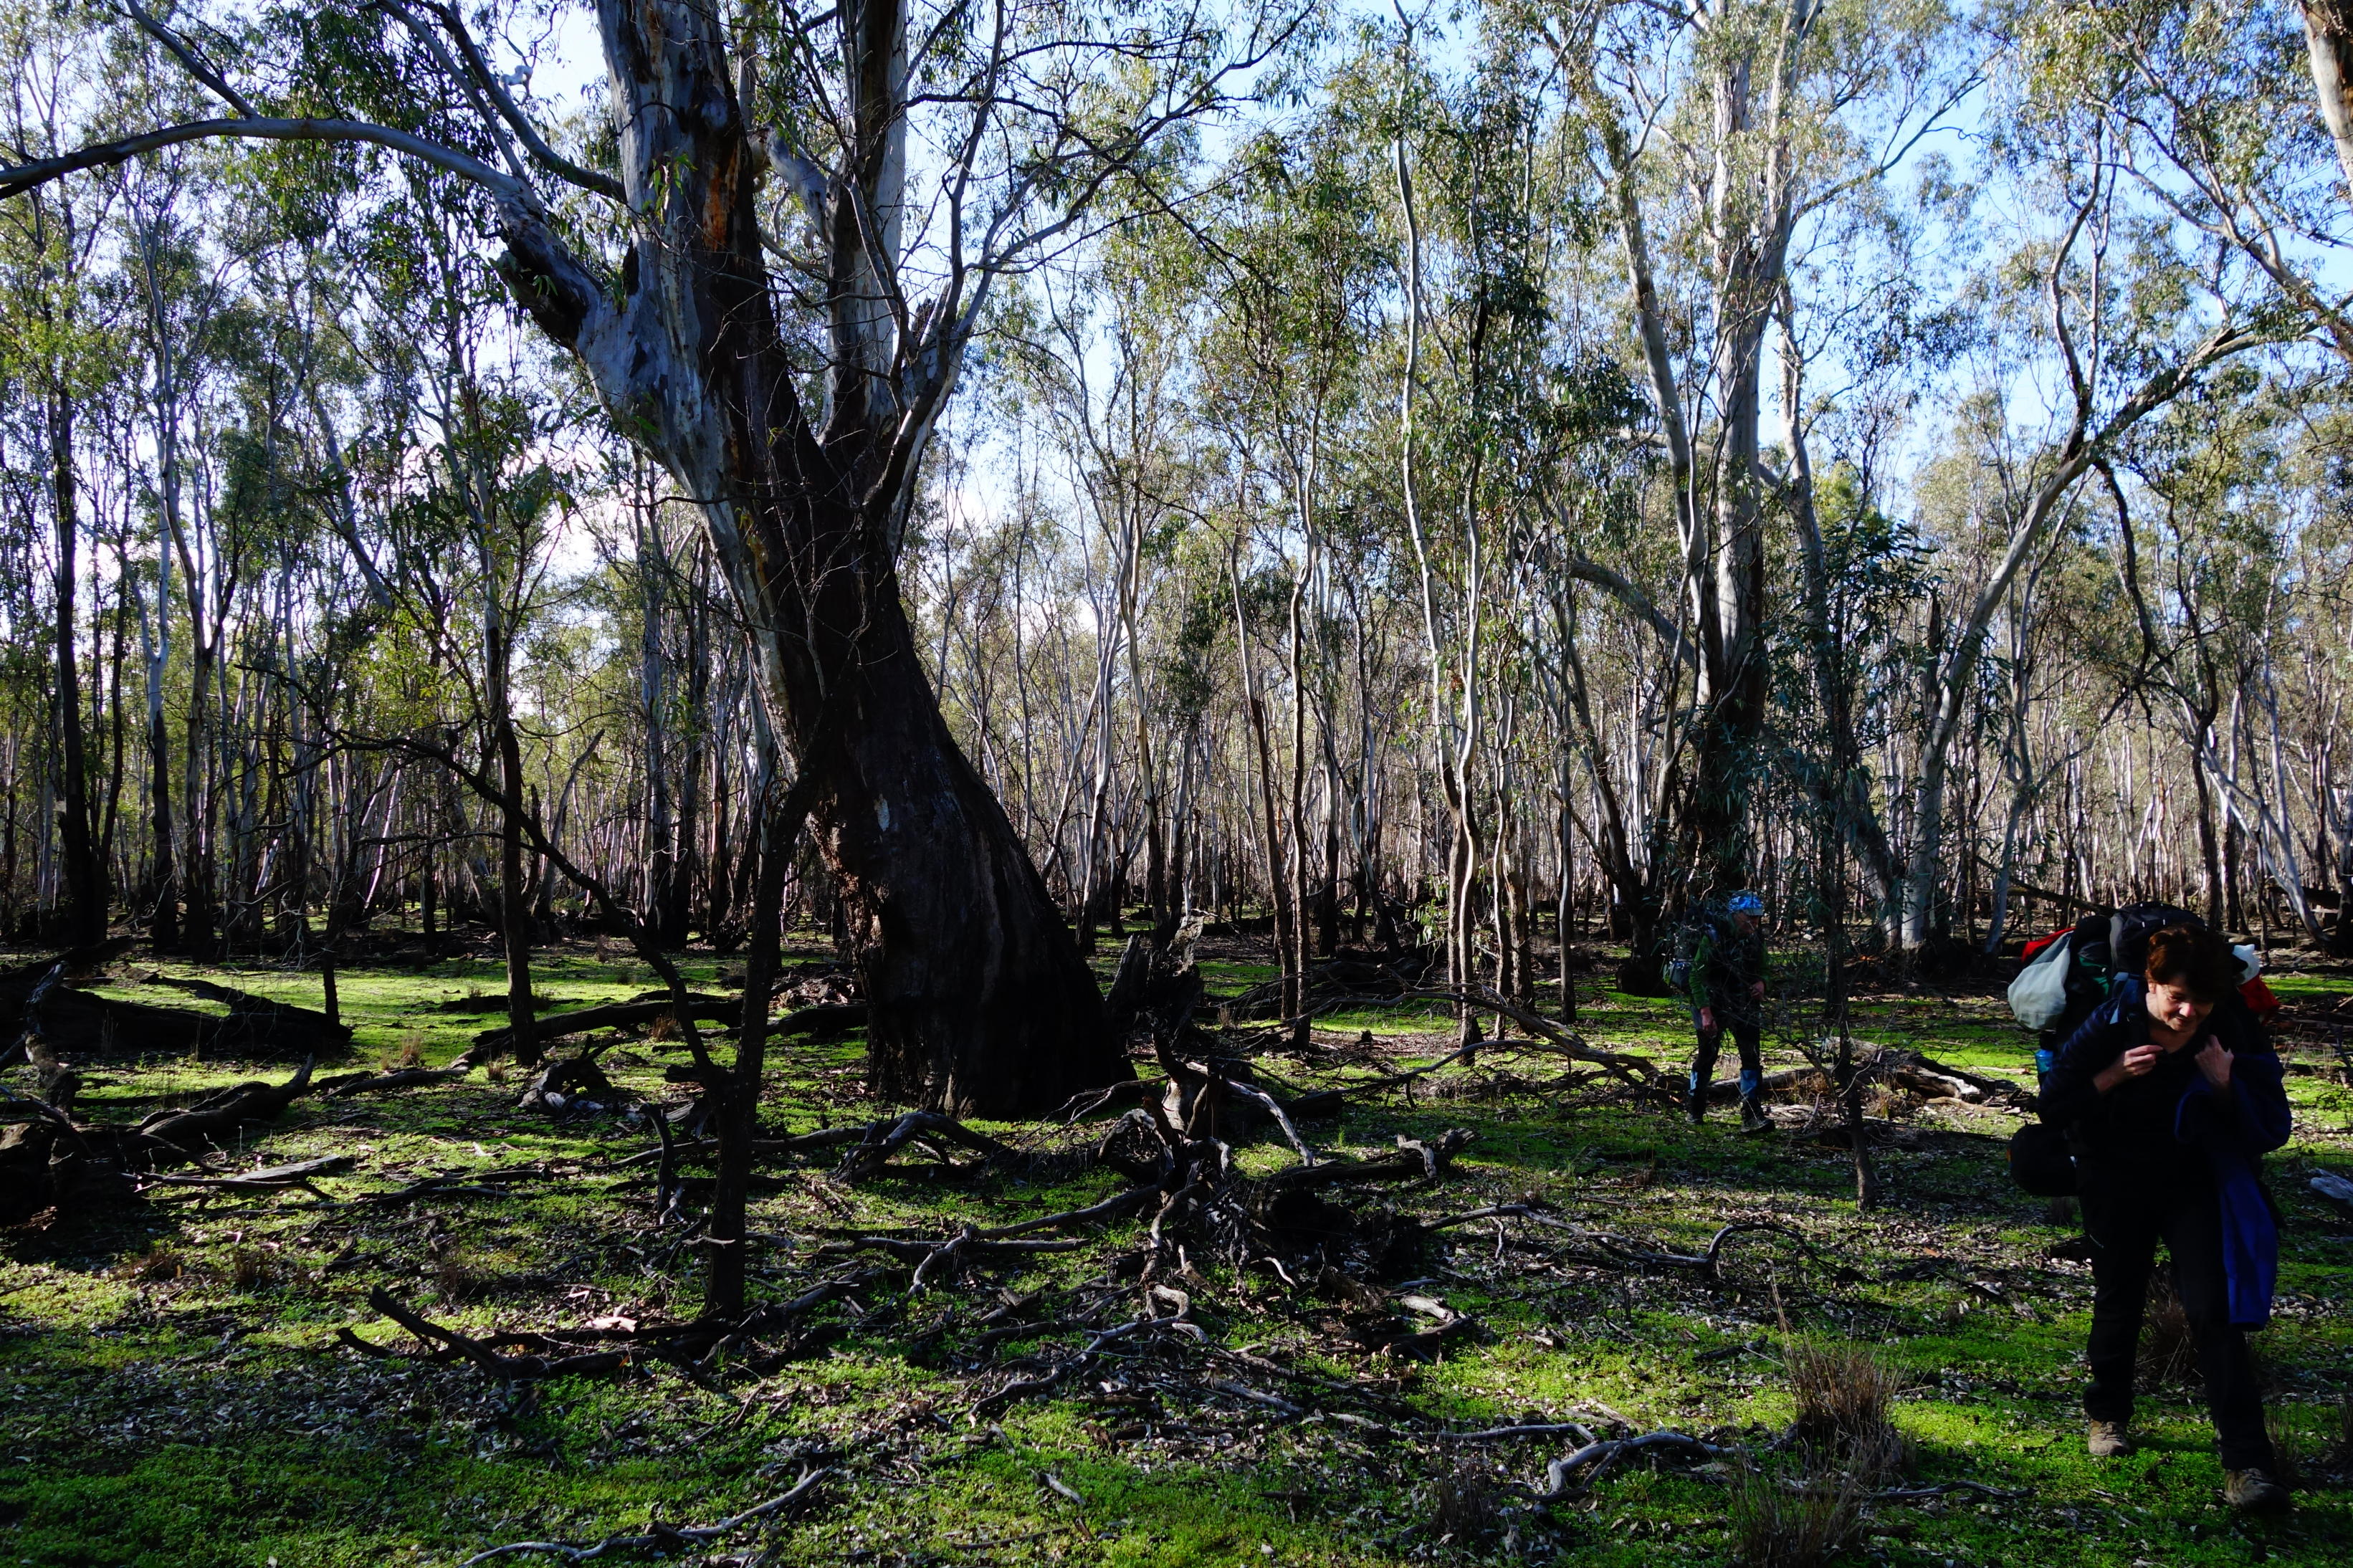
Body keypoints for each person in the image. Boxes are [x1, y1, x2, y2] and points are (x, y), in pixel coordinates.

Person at [2041, 923, 2292, 1513]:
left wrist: (2225, 1085)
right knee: (2119, 1298)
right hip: (2114, 1179)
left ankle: (2247, 1464)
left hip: (2195, 1184)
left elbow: (2272, 1123)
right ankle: (2106, 1414)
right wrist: (2112, 1075)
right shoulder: (2110, 1021)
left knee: (2213, 1313)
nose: (2187, 1014)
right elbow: (2052, 1103)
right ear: (2150, 984)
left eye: (2200, 1003)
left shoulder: (2228, 1029)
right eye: (2176, 998)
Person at [1679, 891, 1769, 1132]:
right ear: (1736, 915)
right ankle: (1695, 1108)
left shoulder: (1755, 938)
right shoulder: (1713, 936)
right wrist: (1705, 1012)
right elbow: (1696, 977)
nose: (1754, 922)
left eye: (1758, 917)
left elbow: (1764, 968)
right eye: (1749, 916)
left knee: (1751, 1057)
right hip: (1711, 1003)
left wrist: (1762, 983)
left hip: (1744, 1004)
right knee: (1707, 1056)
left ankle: (1752, 1115)